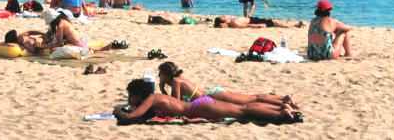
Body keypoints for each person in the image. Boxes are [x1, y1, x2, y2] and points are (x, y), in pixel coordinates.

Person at [113, 79, 301, 123]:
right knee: (243, 107)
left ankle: (280, 113)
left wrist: (118, 111)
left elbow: (130, 117)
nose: (130, 99)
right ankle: (280, 108)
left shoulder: (152, 99)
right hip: (199, 104)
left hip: (197, 107)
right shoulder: (156, 98)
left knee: (243, 111)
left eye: (131, 95)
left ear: (137, 94)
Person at [158, 61, 299, 108]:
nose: (159, 76)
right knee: (252, 98)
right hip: (214, 94)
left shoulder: (176, 81)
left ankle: (282, 101)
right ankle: (282, 100)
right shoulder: (180, 78)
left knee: (251, 101)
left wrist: (162, 91)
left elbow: (175, 104)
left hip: (215, 97)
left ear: (165, 74)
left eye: (160, 74)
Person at [42, 8, 114, 51]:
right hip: (81, 41)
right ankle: (102, 49)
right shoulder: (65, 20)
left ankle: (101, 49)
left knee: (53, 50)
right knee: (89, 48)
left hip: (78, 45)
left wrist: (45, 46)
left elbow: (59, 43)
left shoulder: (60, 26)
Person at [214, 15, 304, 29]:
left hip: (254, 19)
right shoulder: (234, 23)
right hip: (256, 22)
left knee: (275, 21)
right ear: (224, 22)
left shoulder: (231, 19)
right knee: (275, 23)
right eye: (223, 17)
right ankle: (295, 24)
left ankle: (290, 22)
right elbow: (247, 25)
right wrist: (258, 26)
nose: (224, 15)